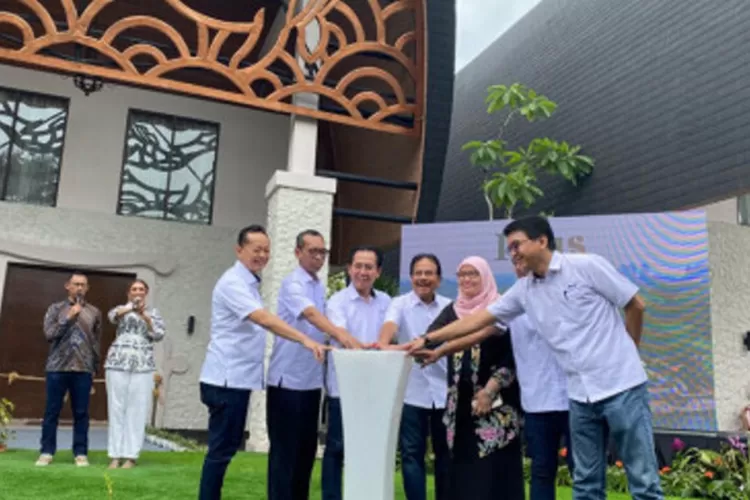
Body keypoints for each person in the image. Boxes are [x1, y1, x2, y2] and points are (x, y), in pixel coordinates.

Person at [407, 216, 663, 500]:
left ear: (542, 241)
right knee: (586, 484)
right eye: (510, 248)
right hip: (579, 395)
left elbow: (635, 304)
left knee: (643, 481)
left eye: (517, 245)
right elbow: (479, 321)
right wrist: (430, 340)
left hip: (622, 387)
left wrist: (629, 349)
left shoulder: (586, 266)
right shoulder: (524, 291)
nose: (513, 253)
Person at [198, 225, 329, 500]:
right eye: (256, 249)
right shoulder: (233, 282)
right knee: (221, 451)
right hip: (225, 379)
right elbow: (263, 319)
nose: (262, 255)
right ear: (239, 250)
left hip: (237, 380)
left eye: (266, 250)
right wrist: (304, 340)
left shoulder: (250, 282)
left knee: (225, 448)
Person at [412, 256, 523, 500]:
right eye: (462, 274)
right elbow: (430, 339)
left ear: (485, 277)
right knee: (463, 475)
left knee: (493, 473)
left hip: (495, 406)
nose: (466, 279)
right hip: (460, 407)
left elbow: (511, 358)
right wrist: (412, 350)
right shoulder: (453, 310)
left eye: (473, 274)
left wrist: (489, 391)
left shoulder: (499, 307)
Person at [266, 230, 362, 500]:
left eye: (323, 252)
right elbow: (310, 314)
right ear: (298, 252)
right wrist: (343, 336)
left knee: (306, 452)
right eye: (313, 251)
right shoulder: (293, 283)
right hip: (286, 381)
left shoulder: (318, 285)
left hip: (311, 382)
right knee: (284, 454)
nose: (319, 257)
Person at [376, 254, 451, 500]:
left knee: (445, 455)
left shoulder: (449, 307)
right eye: (418, 273)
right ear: (411, 277)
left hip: (444, 391)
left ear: (438, 279)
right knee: (411, 454)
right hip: (411, 390)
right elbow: (387, 334)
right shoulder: (399, 304)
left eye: (429, 273)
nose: (423, 278)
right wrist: (402, 346)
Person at [321, 246, 392, 500]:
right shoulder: (337, 302)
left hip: (376, 388)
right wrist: (369, 350)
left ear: (378, 271)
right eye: (358, 266)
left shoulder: (386, 302)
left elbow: (391, 336)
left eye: (369, 267)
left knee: (369, 449)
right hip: (343, 387)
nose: (363, 272)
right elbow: (342, 336)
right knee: (337, 447)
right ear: (349, 269)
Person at [508, 260, 573, 500]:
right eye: (517, 262)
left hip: (574, 397)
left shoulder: (564, 296)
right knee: (542, 471)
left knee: (583, 469)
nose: (522, 267)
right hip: (536, 401)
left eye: (525, 260)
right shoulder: (510, 303)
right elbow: (483, 328)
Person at [37, 271, 102, 467]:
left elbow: (96, 342)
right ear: (68, 286)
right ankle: (47, 451)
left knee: (81, 413)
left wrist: (95, 367)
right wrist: (69, 316)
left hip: (83, 369)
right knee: (52, 411)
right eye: (76, 284)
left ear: (87, 288)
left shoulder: (94, 312)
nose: (79, 288)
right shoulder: (56, 309)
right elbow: (49, 334)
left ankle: (80, 452)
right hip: (57, 367)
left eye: (83, 285)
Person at [105, 278, 166, 469]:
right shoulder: (121, 309)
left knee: (137, 408)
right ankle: (115, 455)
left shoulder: (153, 313)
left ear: (146, 293)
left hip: (143, 364)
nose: (138, 292)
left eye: (141, 289)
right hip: (118, 361)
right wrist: (131, 307)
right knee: (116, 407)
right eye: (134, 289)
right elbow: (112, 317)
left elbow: (159, 334)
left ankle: (131, 455)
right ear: (129, 293)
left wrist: (145, 317)